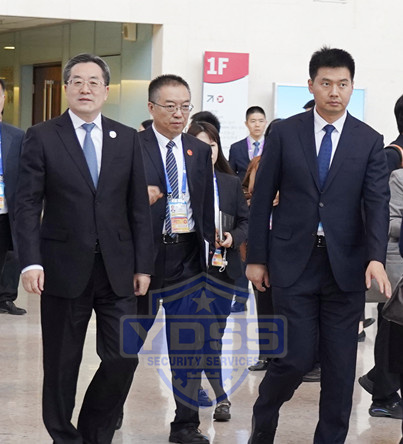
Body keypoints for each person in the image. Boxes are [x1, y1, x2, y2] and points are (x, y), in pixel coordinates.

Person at [246, 46, 391, 444]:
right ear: (311, 85)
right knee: (294, 358)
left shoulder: (368, 140)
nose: (334, 92)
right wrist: (256, 257)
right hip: (293, 261)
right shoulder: (285, 133)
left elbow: (377, 205)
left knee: (340, 367)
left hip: (346, 265)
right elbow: (262, 198)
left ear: (352, 87)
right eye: (326, 83)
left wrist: (376, 257)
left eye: (343, 84)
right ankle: (265, 413)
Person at [14, 53, 154, 444]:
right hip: (62, 267)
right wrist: (30, 262)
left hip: (117, 269)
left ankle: (94, 433)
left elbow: (137, 208)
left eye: (94, 82)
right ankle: (63, 436)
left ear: (106, 91)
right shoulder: (42, 135)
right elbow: (27, 204)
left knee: (123, 357)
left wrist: (143, 265)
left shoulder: (126, 137)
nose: (85, 88)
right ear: (65, 89)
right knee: (61, 365)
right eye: (77, 81)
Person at [135, 74, 215, 444]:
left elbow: (205, 205)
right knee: (127, 344)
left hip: (187, 257)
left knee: (188, 347)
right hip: (145, 259)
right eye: (170, 106)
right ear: (151, 107)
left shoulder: (198, 151)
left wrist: (212, 252)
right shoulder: (132, 146)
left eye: (185, 106)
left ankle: (185, 425)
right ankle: (109, 409)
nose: (179, 113)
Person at [187, 120, 248, 421]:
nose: (207, 150)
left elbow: (245, 221)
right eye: (200, 144)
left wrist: (233, 237)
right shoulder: (181, 181)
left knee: (216, 333)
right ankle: (221, 396)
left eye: (211, 145)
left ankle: (206, 386)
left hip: (223, 270)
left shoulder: (229, 182)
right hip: (189, 270)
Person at [358, 95, 403, 419]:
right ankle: (382, 393)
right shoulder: (392, 157)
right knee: (392, 324)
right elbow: (379, 212)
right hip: (393, 260)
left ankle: (379, 381)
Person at [0, 78, 26, 316]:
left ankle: (6, 298)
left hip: (8, 206)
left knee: (11, 253)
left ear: (3, 98)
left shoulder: (17, 136)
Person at [229, 106, 267, 183]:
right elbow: (231, 174)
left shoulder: (272, 146)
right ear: (246, 124)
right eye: (253, 121)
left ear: (266, 123)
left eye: (261, 121)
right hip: (242, 189)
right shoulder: (236, 148)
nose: (257, 125)